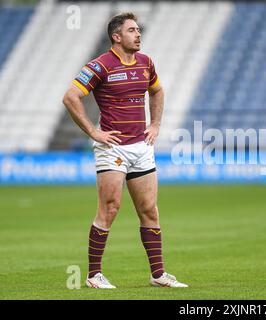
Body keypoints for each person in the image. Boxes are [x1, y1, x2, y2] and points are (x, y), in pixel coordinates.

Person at [62, 12, 188, 289]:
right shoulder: (99, 66)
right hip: (112, 147)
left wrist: (155, 124)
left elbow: (157, 91)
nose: (138, 34)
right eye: (132, 30)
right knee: (110, 208)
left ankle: (158, 275)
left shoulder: (146, 63)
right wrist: (94, 132)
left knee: (150, 210)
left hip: (141, 147)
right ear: (116, 37)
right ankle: (94, 275)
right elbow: (70, 97)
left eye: (138, 29)